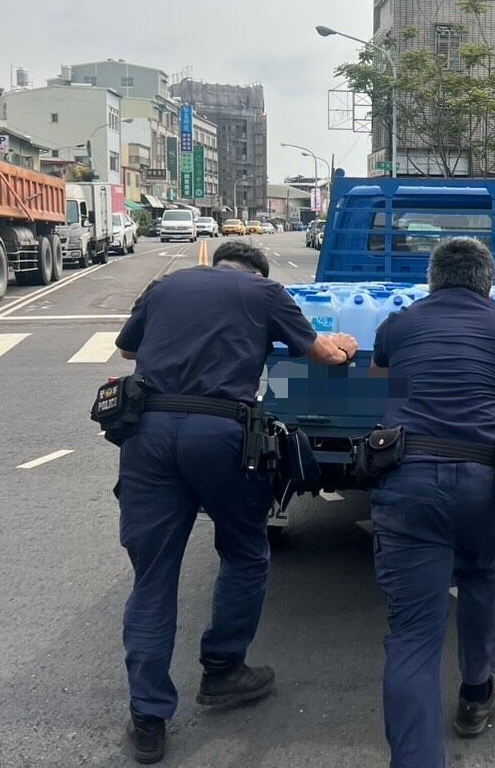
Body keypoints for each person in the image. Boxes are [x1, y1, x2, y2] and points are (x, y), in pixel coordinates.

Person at [114, 240, 358, 764]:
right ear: (258, 272)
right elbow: (321, 354)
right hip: (221, 436)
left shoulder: (165, 285)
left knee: (153, 575)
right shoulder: (266, 292)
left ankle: (148, 716)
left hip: (147, 431)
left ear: (218, 262)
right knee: (244, 549)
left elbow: (129, 351)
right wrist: (340, 343)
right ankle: (223, 670)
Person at [368, 237, 495, 767]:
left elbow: (382, 375)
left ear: (431, 279)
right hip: (487, 482)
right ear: (487, 283)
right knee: (484, 573)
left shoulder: (399, 324)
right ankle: (475, 694)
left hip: (410, 480)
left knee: (414, 636)